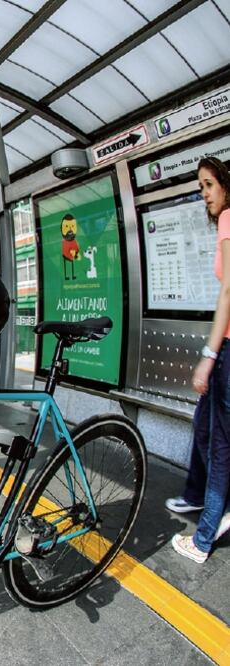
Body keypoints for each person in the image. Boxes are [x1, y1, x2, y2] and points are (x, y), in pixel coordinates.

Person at [169, 156, 230, 563]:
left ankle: (206, 535)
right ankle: (196, 496)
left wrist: (208, 356)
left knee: (222, 443)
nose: (204, 194)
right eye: (201, 186)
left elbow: (228, 293)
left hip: (227, 348)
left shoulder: (228, 218)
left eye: (208, 185)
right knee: (203, 425)